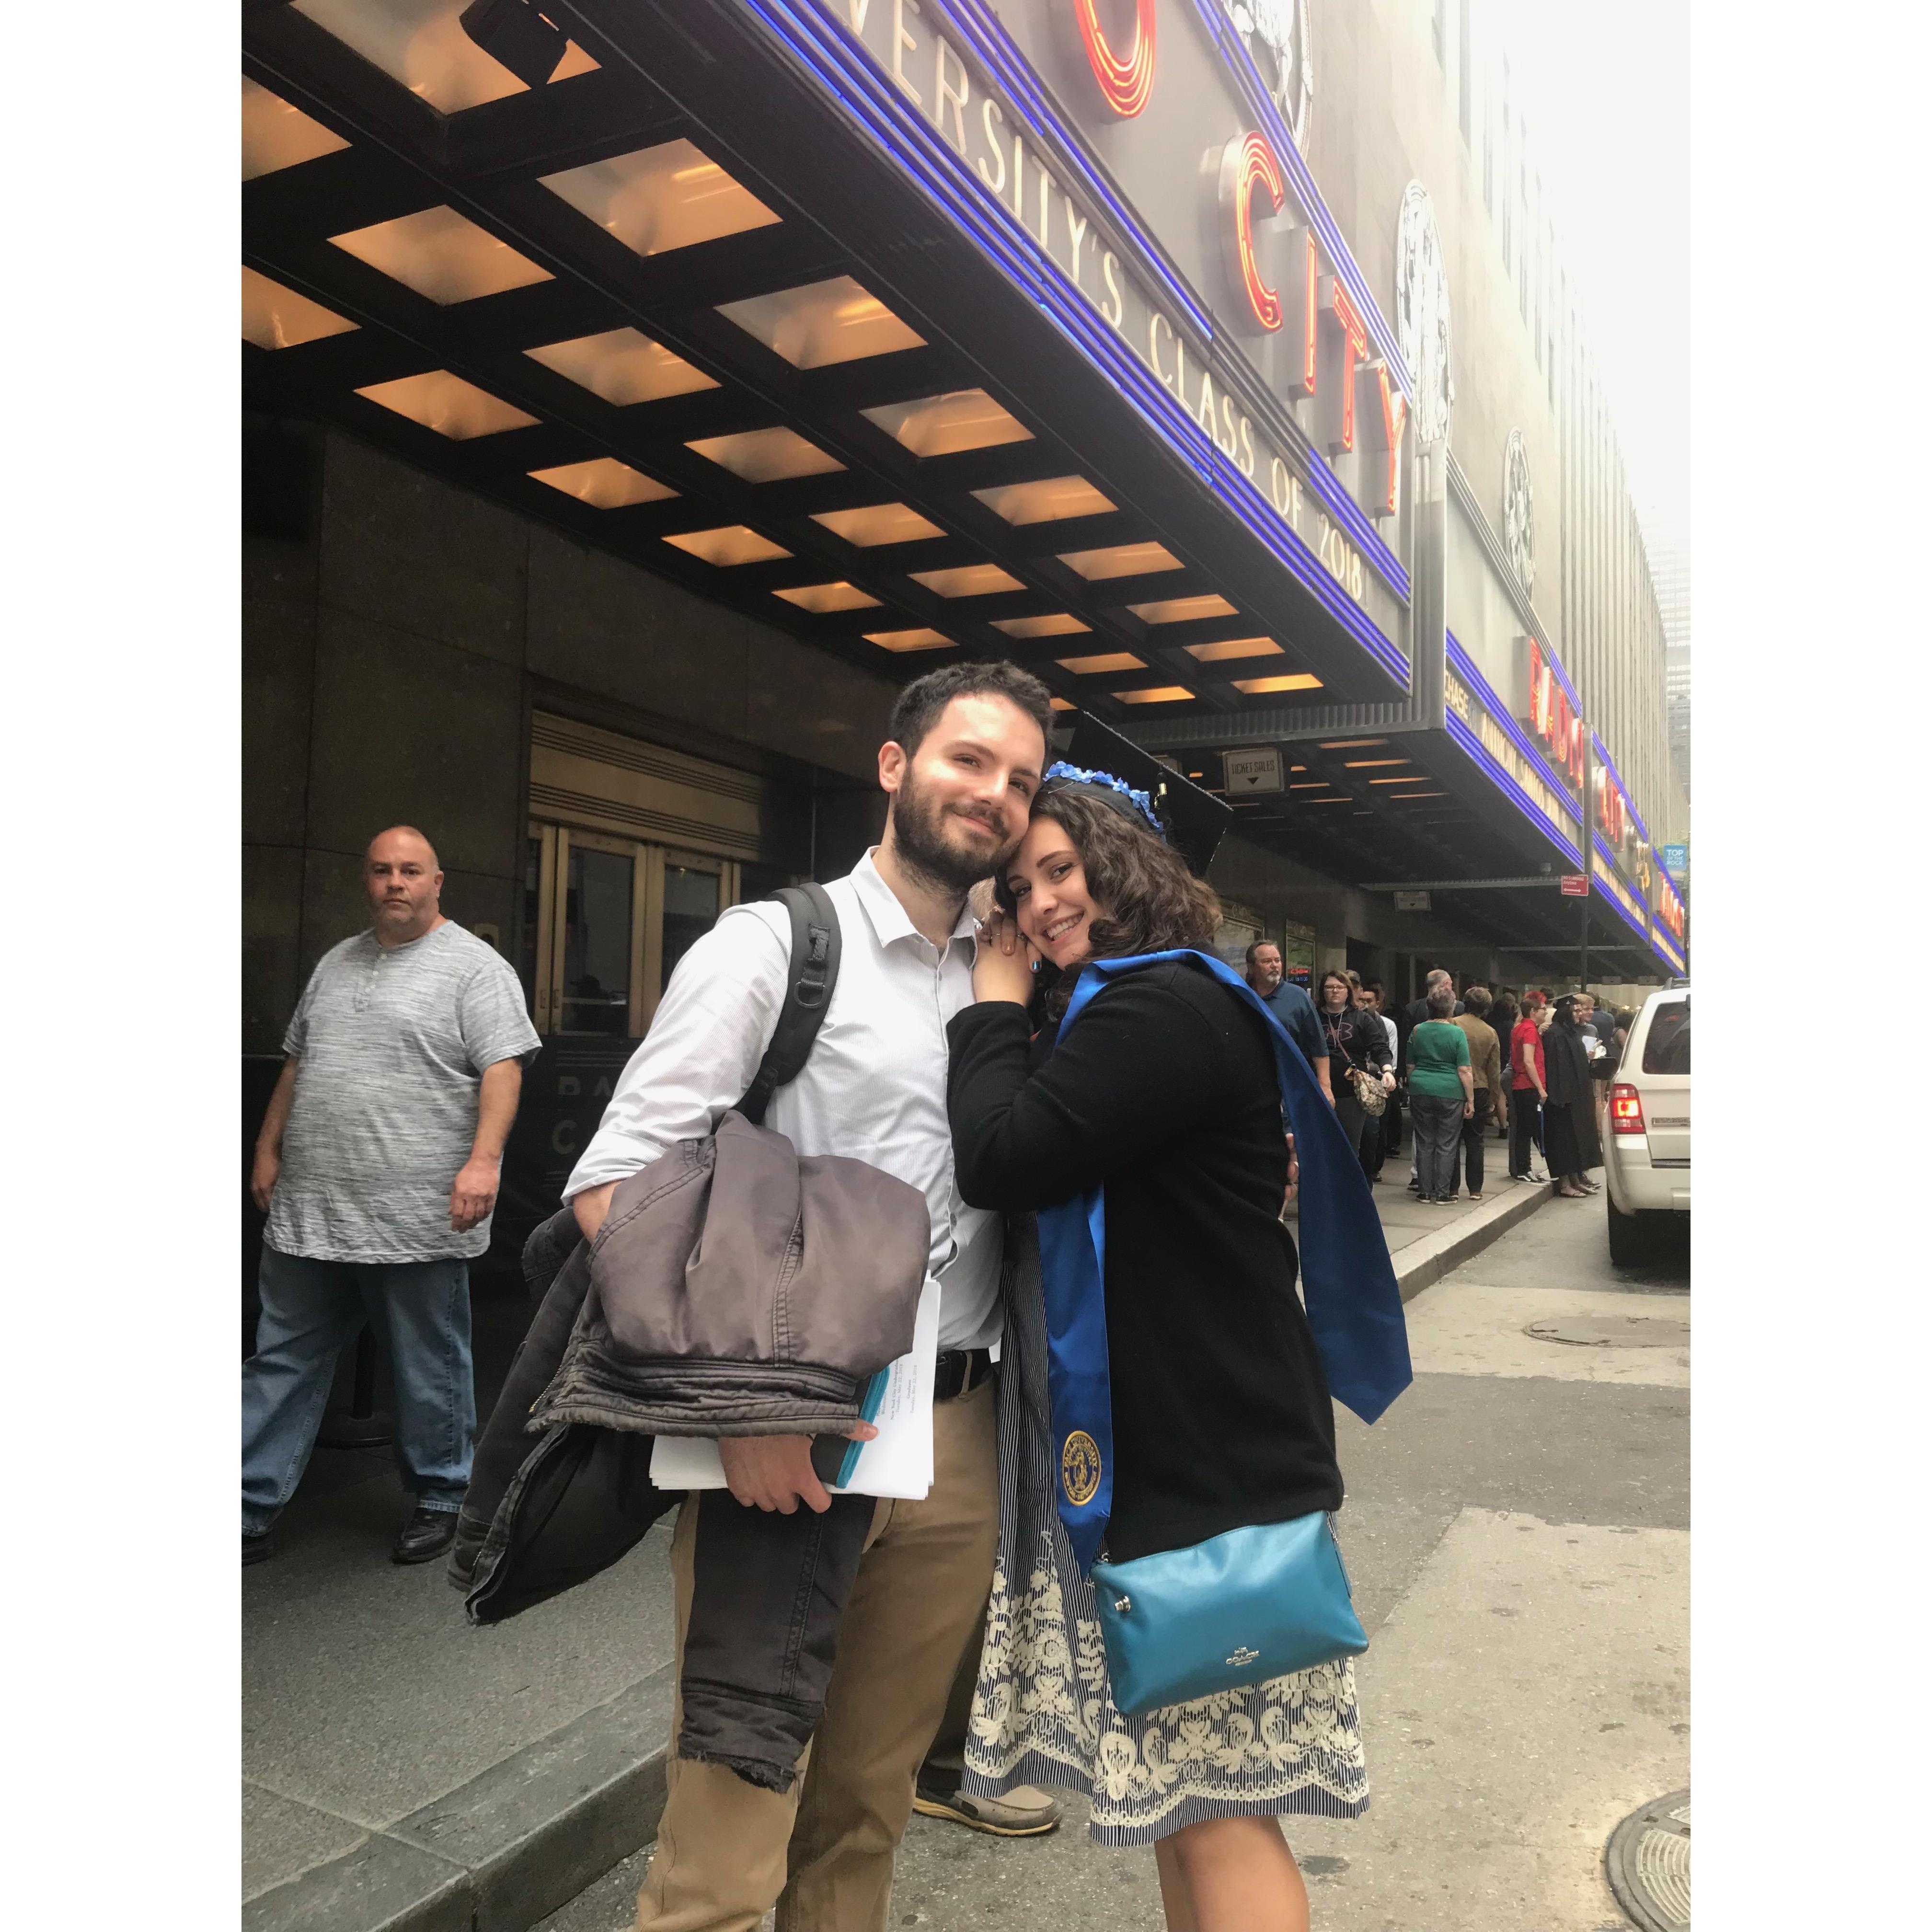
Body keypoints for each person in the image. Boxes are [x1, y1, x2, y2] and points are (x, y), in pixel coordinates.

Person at [561, 661, 1055, 1932]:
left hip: (951, 1437)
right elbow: (615, 1184)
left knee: (863, 1825)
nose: (993, 796)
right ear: (894, 768)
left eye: (1019, 780)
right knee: (729, 1842)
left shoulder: (1014, 978)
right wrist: (739, 1409)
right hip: (790, 1434)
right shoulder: (777, 948)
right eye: (967, 760)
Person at [948, 767, 1386, 1932]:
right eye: (1018, 886)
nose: (1039, 904)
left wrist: (990, 1003)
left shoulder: (1158, 1009)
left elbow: (1001, 1156)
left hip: (1201, 1462)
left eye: (1059, 869)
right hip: (1195, 1443)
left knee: (1223, 1806)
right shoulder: (1145, 1004)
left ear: (1122, 862)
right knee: (1187, 1798)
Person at [243, 826, 541, 1566]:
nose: (395, 883)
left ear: (439, 882)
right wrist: (267, 1147)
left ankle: (442, 1495)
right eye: (381, 871)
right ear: (366, 881)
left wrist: (484, 1164)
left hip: (418, 1213)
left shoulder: (476, 968)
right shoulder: (336, 963)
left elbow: (504, 1071)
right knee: (280, 1357)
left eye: (411, 871)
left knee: (429, 1364)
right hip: (312, 1208)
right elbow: (297, 1064)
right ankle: (247, 1502)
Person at [1315, 968, 1395, 1180]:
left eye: (1339, 987)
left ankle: (1350, 1197)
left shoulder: (1361, 1018)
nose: (1334, 991)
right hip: (1317, 1091)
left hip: (1351, 1094)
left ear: (1348, 991)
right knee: (1321, 1147)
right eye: (1329, 987)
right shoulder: (1313, 1016)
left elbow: (1380, 1047)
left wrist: (1387, 1070)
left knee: (1350, 1147)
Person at [1404, 983, 1473, 1203]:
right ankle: (1443, 1193)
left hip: (1421, 1089)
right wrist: (1470, 1098)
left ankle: (1424, 1191)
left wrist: (1415, 1085)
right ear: (1451, 1007)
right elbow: (1464, 1069)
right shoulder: (1457, 1033)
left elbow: (1410, 1065)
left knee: (1425, 1141)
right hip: (1451, 1091)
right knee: (1447, 1143)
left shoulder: (1417, 1030)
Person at [1243, 941, 1332, 1102]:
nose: (1274, 966)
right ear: (1251, 968)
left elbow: (1318, 1046)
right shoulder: (1242, 995)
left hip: (1292, 1087)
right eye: (1267, 961)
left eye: (1277, 960)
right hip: (1253, 1087)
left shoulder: (1298, 997)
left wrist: (1325, 1086)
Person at [1448, 986, 1502, 1200]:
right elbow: (1494, 1069)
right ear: (1487, 1008)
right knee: (1476, 1140)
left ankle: (1452, 1189)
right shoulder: (1490, 1032)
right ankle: (1475, 1189)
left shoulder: (1453, 1024)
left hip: (1453, 1085)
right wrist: (1494, 1098)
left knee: (1452, 1138)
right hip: (1480, 1087)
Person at [1540, 994, 1596, 1198]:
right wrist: (1561, 1096)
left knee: (1573, 1142)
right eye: (1576, 1011)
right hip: (1561, 1099)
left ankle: (1575, 1180)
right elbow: (1557, 1068)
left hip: (1574, 1097)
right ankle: (1565, 1183)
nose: (1579, 1014)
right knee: (1563, 1142)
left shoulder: (1569, 1032)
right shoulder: (1555, 1034)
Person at [1507, 992, 1549, 1183]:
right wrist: (1541, 1088)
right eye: (1543, 1010)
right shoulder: (1530, 1031)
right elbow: (1529, 1061)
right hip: (1528, 1085)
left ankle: (1522, 1167)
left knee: (1523, 1129)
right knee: (1528, 1129)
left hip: (1520, 1084)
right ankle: (1525, 1168)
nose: (1545, 1013)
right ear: (1533, 1011)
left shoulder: (1519, 1029)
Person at [1488, 991, 1519, 1139]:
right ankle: (1505, 1126)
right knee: (1503, 1097)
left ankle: (1493, 1121)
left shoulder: (1489, 1023)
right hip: (1505, 1063)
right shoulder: (1511, 1026)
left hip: (1489, 1063)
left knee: (1492, 1095)